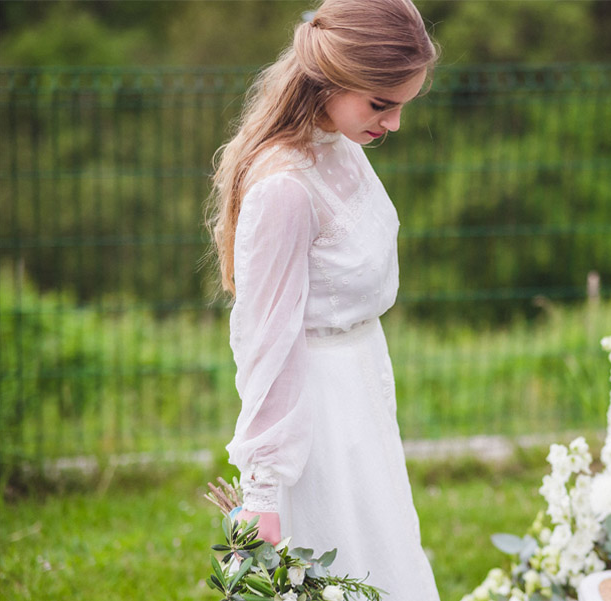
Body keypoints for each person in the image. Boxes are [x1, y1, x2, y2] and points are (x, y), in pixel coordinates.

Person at [207, 0, 440, 598]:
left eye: (401, 106)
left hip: (362, 391)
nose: (393, 124)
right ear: (333, 80)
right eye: (381, 104)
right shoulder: (283, 187)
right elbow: (266, 343)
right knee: (342, 569)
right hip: (318, 417)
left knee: (386, 559)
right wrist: (262, 494)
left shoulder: (339, 140)